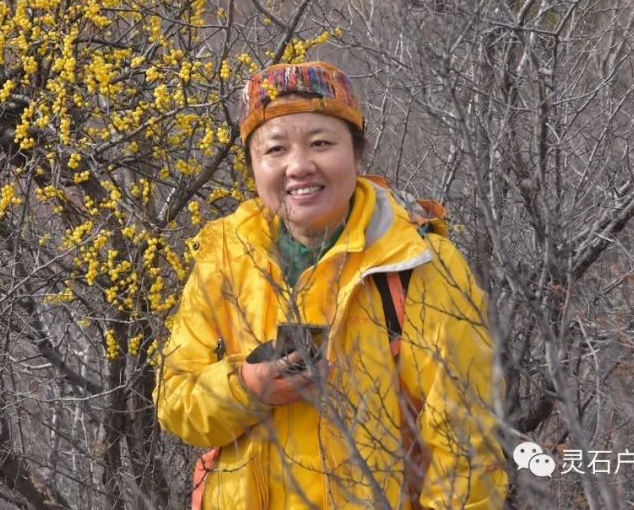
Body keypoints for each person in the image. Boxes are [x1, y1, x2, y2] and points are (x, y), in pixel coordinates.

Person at [156, 61, 508, 510]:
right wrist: (248, 387)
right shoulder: (224, 257)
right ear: (253, 166)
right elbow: (176, 403)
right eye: (275, 149)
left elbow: (466, 448)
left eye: (321, 143)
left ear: (358, 156)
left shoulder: (417, 263)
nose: (299, 166)